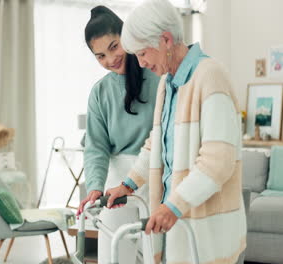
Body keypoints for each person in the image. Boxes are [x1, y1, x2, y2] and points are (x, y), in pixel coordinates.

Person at [106, 0, 247, 263]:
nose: (141, 63)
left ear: (166, 40)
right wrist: (128, 184)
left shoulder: (210, 76)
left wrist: (173, 206)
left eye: (143, 53)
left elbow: (219, 162)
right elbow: (155, 144)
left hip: (206, 232)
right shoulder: (168, 84)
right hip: (177, 226)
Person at [76, 6, 160, 264]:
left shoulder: (157, 77)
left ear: (127, 37)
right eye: (100, 55)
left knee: (155, 253)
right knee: (114, 255)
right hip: (116, 184)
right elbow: (96, 147)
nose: (110, 59)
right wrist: (94, 187)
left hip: (154, 174)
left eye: (114, 47)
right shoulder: (100, 93)